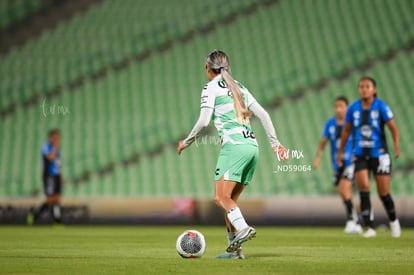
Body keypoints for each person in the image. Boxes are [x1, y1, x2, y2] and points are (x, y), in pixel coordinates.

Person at [177, 50, 288, 259]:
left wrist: (186, 142)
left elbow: (203, 121)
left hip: (234, 147)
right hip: (252, 147)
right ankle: (236, 251)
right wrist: (275, 144)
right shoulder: (240, 87)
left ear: (208, 69)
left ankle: (243, 228)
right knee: (230, 201)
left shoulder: (210, 88)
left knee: (220, 197)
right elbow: (263, 114)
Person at [337, 77, 401, 238]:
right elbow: (346, 131)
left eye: (367, 86)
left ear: (374, 90)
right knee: (364, 187)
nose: (364, 89)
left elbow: (393, 128)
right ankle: (370, 227)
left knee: (383, 192)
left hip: (379, 154)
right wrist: (340, 151)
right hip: (360, 154)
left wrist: (396, 145)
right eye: (361, 87)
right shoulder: (353, 108)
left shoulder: (381, 107)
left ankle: (393, 221)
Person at [313, 96, 362, 234]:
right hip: (337, 164)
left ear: (347, 108)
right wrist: (318, 157)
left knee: (344, 188)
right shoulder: (330, 124)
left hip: (351, 162)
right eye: (336, 106)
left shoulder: (352, 124)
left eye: (341, 106)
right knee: (342, 191)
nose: (338, 109)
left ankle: (355, 221)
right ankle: (353, 220)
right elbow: (323, 142)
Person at [27, 129, 63, 225]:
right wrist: (55, 147)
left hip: (56, 176)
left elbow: (58, 163)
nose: (57, 139)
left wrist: (61, 176)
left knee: (57, 198)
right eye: (55, 137)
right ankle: (34, 214)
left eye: (58, 137)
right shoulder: (46, 147)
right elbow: (50, 158)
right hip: (49, 175)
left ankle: (57, 220)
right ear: (50, 137)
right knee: (50, 199)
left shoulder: (58, 149)